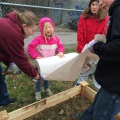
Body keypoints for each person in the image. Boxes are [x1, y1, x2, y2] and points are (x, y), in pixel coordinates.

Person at [73, 0, 120, 119]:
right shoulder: (114, 11)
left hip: (115, 81)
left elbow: (117, 45)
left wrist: (98, 47)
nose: (100, 4)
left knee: (102, 114)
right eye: (96, 2)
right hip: (111, 75)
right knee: (98, 104)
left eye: (101, 1)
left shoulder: (118, 11)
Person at [0, 10, 40, 106]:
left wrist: (10, 63)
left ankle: (3, 101)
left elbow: (5, 48)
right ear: (24, 26)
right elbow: (22, 61)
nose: (33, 34)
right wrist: (34, 74)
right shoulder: (15, 34)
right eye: (32, 30)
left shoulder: (12, 25)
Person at [28, 17, 64, 100]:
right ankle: (37, 92)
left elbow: (60, 46)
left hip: (49, 63)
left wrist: (60, 51)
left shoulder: (56, 39)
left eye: (49, 27)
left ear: (52, 28)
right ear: (42, 29)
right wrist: (36, 57)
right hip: (39, 64)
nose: (48, 29)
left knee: (47, 76)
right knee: (37, 77)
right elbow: (30, 48)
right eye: (45, 27)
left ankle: (46, 88)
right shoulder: (38, 39)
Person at [75, 0, 109, 91]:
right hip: (85, 50)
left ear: (101, 6)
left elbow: (103, 37)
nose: (94, 7)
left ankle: (98, 92)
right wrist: (83, 53)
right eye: (92, 4)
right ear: (90, 5)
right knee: (83, 70)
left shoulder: (105, 19)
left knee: (97, 72)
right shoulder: (83, 18)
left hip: (97, 52)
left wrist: (98, 52)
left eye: (97, 4)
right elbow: (80, 36)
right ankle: (78, 88)